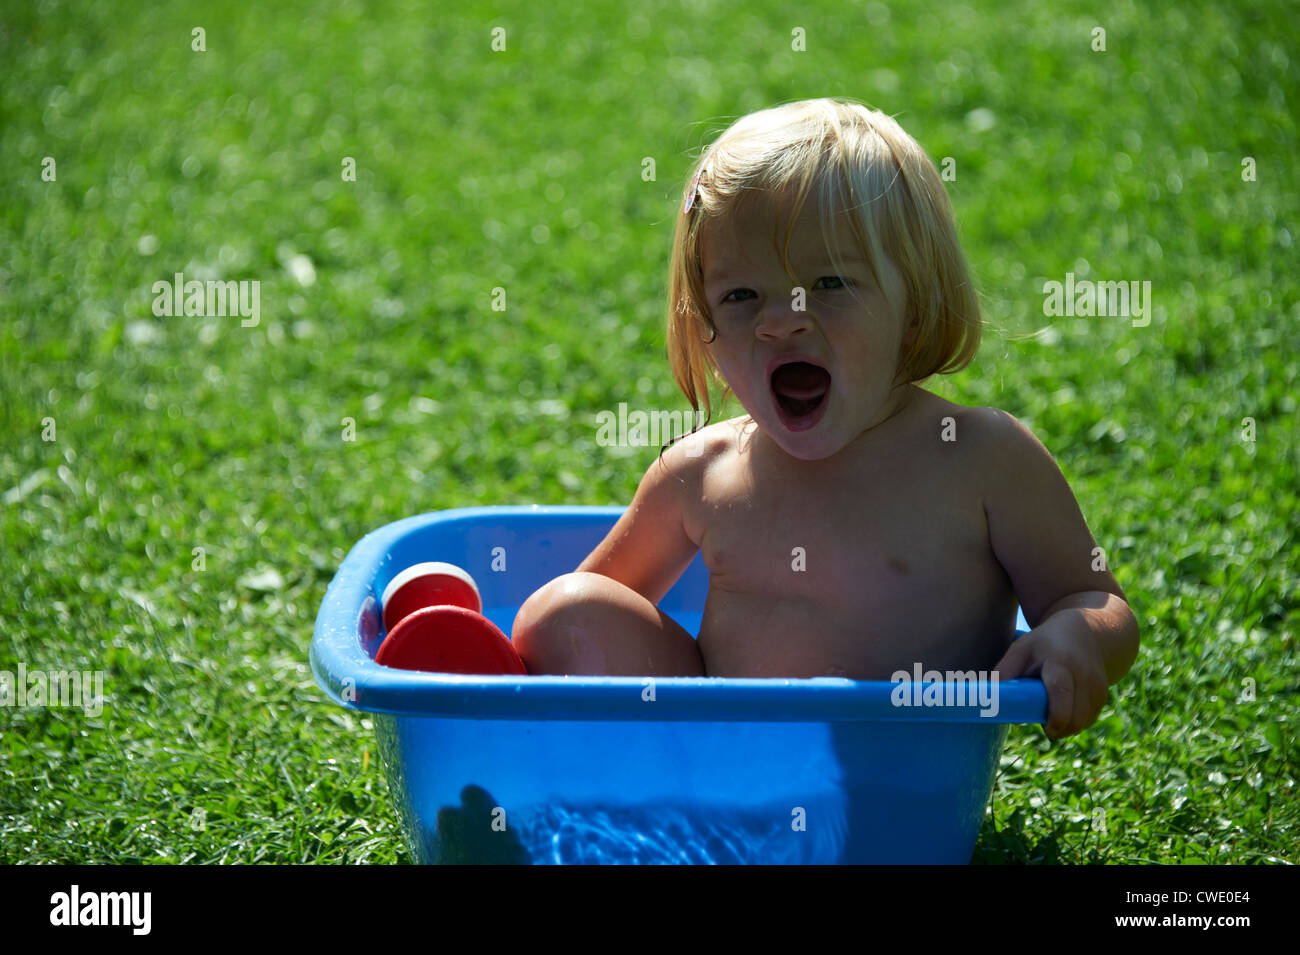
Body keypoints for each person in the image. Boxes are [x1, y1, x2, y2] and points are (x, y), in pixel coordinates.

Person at [512, 97, 1139, 739]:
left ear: (916, 308)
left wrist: (1074, 635)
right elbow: (586, 625)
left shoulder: (981, 460)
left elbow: (1096, 599)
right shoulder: (701, 473)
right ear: (704, 327)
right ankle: (649, 791)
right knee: (563, 607)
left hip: (903, 791)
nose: (780, 319)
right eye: (740, 296)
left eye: (830, 284)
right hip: (723, 772)